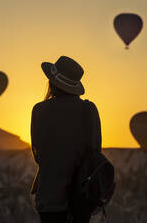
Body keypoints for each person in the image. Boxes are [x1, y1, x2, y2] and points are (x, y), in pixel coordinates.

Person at [30, 56, 102, 223]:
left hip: (49, 197)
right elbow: (95, 151)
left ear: (52, 83)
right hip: (81, 196)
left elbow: (38, 154)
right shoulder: (88, 110)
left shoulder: (39, 110)